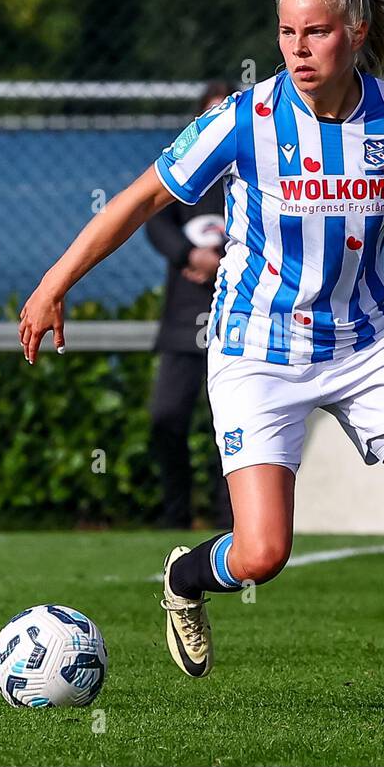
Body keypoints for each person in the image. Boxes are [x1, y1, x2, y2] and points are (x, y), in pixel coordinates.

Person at [19, 0, 384, 710]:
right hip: (255, 353)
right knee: (263, 553)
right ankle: (185, 580)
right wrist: (53, 285)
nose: (298, 48)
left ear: (357, 33)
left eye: (316, 31)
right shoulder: (245, 119)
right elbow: (142, 198)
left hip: (363, 347)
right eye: (286, 32)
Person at [143, 82, 236, 531]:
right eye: (209, 117)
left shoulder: (252, 173)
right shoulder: (182, 174)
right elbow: (153, 220)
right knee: (167, 417)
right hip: (183, 320)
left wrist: (224, 261)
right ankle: (174, 515)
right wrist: (188, 255)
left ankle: (231, 523)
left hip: (236, 319)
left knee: (232, 429)